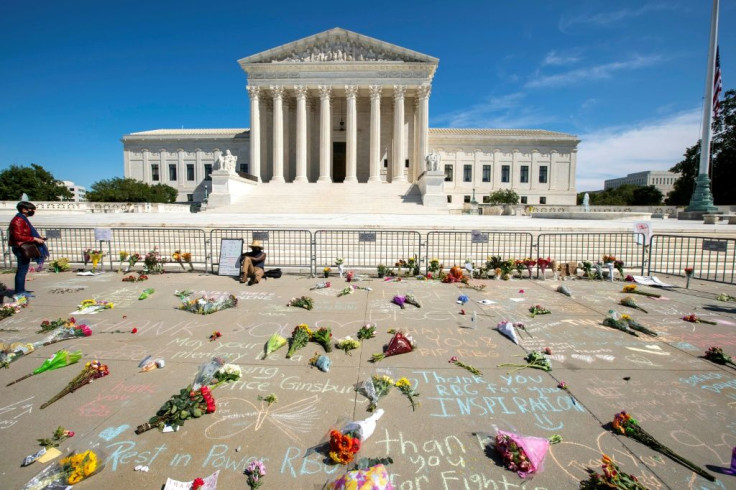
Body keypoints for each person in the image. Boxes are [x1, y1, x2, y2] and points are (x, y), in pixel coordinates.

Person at [8, 201, 47, 297]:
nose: (33, 211)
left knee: (23, 270)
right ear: (24, 209)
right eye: (31, 209)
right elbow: (18, 236)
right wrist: (34, 238)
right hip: (21, 247)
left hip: (22, 246)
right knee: (22, 270)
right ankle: (19, 292)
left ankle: (21, 290)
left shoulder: (22, 219)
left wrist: (37, 237)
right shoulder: (18, 220)